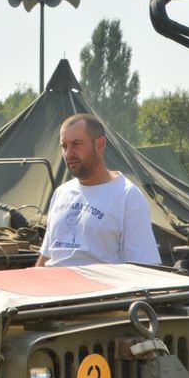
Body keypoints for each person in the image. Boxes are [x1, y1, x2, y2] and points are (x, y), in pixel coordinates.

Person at [36, 113, 160, 267]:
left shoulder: (127, 196)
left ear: (100, 144)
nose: (68, 154)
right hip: (53, 287)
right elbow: (47, 257)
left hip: (98, 289)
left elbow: (143, 268)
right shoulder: (61, 193)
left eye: (76, 144)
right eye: (64, 146)